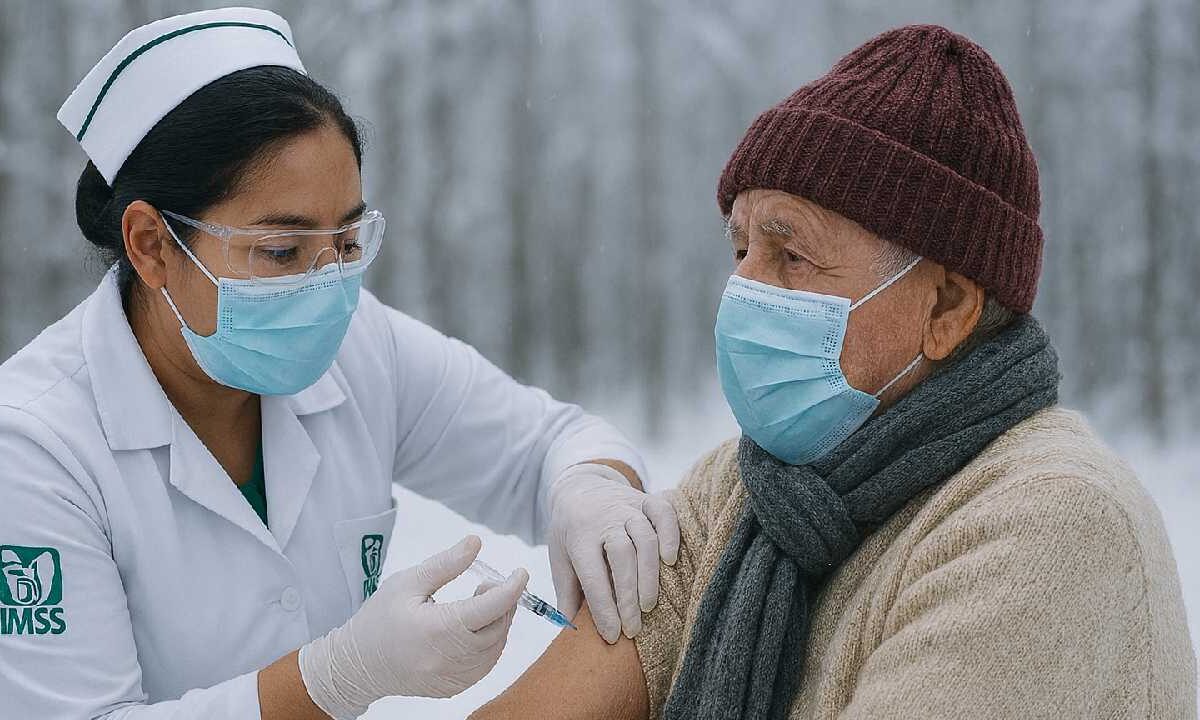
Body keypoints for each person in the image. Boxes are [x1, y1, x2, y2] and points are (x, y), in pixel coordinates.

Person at [469, 24, 1197, 720]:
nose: (742, 291)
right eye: (741, 251)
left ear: (946, 307)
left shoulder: (1052, 525)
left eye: (792, 255)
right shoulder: (752, 487)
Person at [0, 7, 678, 719]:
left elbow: (546, 446)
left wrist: (589, 489)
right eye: (280, 251)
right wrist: (340, 674)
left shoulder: (360, 349)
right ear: (151, 244)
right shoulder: (33, 448)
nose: (325, 288)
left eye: (348, 243)